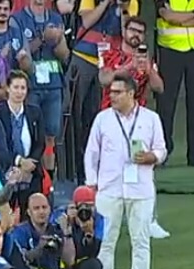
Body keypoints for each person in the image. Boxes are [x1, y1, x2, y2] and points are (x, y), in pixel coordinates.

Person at [85, 74, 166, 269]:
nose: (112, 96)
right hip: (109, 188)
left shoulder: (150, 118)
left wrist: (152, 157)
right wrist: (92, 183)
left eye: (117, 92)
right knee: (105, 241)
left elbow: (162, 149)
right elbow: (92, 152)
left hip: (140, 188)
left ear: (131, 94)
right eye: (111, 92)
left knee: (140, 240)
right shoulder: (103, 119)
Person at [70, 0, 140, 181]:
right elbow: (86, 21)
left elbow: (127, 33)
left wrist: (123, 9)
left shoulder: (130, 2)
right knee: (75, 115)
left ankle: (99, 170)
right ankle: (76, 169)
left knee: (96, 117)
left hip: (109, 62)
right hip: (84, 57)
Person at [155, 0, 194, 167]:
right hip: (170, 50)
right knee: (166, 104)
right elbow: (168, 16)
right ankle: (163, 151)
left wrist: (183, 20)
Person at [12, 0, 69, 174]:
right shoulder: (17, 19)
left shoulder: (55, 18)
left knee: (51, 135)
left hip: (53, 84)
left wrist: (58, 39)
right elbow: (19, 53)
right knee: (32, 134)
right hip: (31, 86)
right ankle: (31, 176)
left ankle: (49, 179)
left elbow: (64, 55)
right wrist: (43, 38)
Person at [0, 72, 45, 210]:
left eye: (23, 88)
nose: (19, 92)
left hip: (31, 172)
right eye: (16, 87)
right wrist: (19, 161)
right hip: (6, 170)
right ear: (8, 88)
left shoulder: (35, 112)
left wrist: (30, 163)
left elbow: (40, 142)